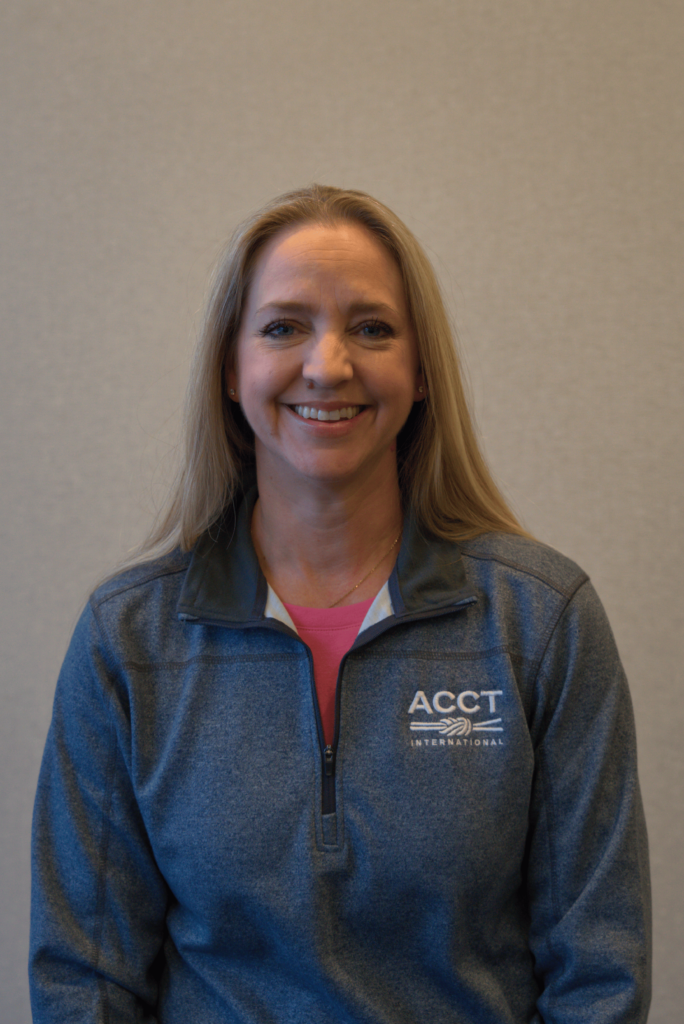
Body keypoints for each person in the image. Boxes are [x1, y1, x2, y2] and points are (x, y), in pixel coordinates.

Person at [29, 185, 651, 1023]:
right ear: (229, 366)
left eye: (372, 328)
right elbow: (84, 981)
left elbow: (600, 973)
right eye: (284, 326)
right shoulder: (128, 639)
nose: (329, 365)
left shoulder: (540, 622)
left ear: (421, 369)